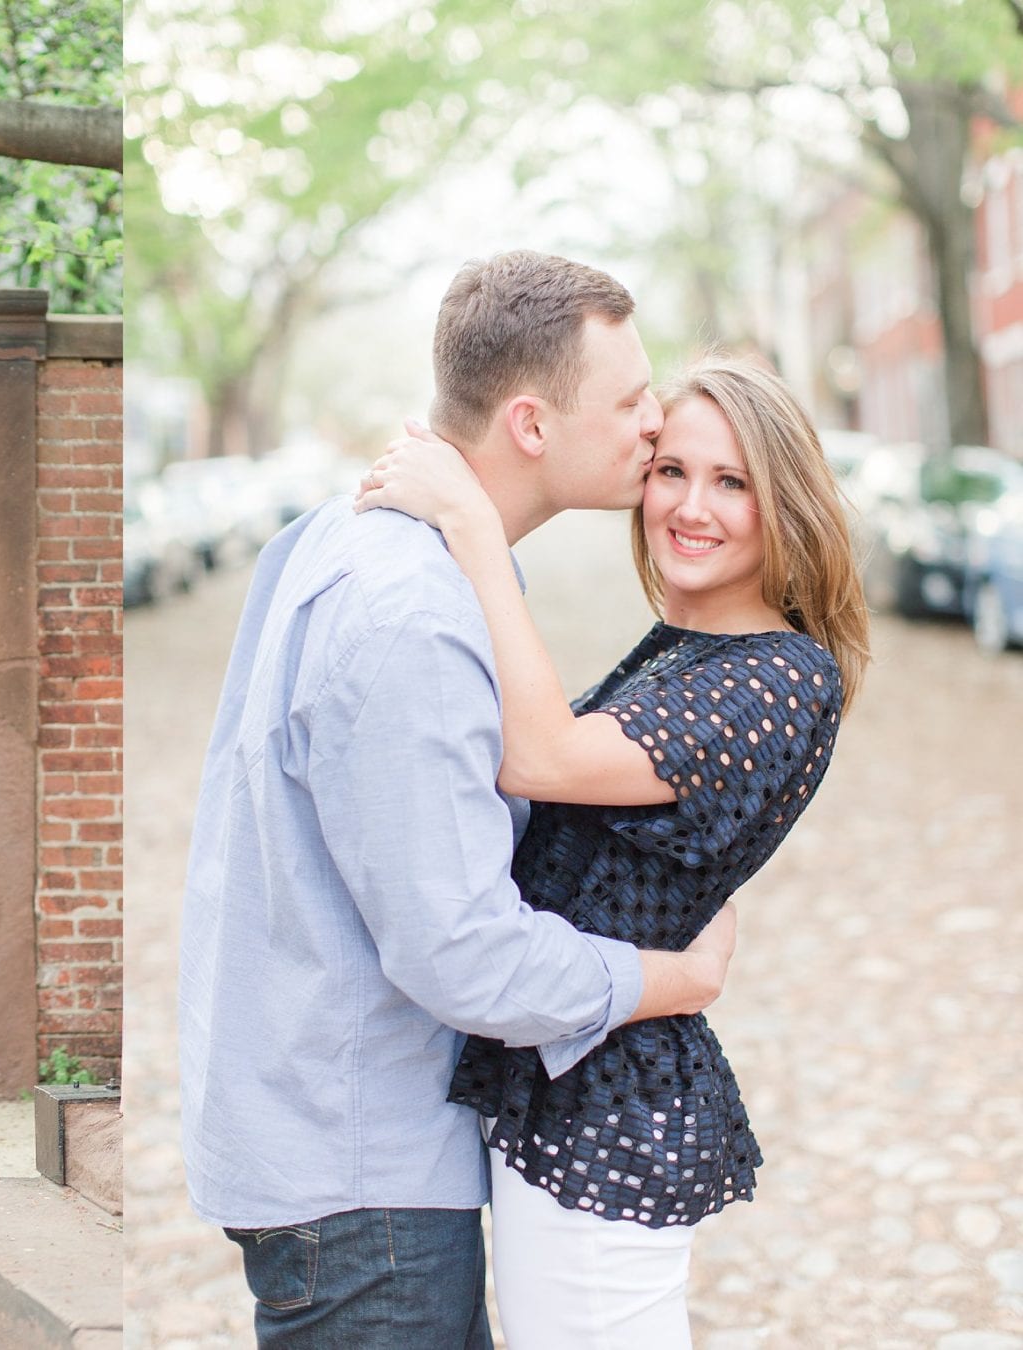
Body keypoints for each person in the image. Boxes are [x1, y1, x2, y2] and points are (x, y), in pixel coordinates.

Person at [179, 251, 742, 1348]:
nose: (656, 420)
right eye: (629, 400)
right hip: (362, 1185)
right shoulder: (412, 615)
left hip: (335, 1142)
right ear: (530, 424)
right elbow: (461, 955)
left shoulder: (353, 538)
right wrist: (668, 978)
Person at [354, 354, 868, 1346]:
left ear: (785, 504)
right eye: (672, 470)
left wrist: (470, 525)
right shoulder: (688, 646)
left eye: (732, 483)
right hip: (564, 1068)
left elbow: (537, 753)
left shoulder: (777, 676)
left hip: (611, 1108)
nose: (690, 506)